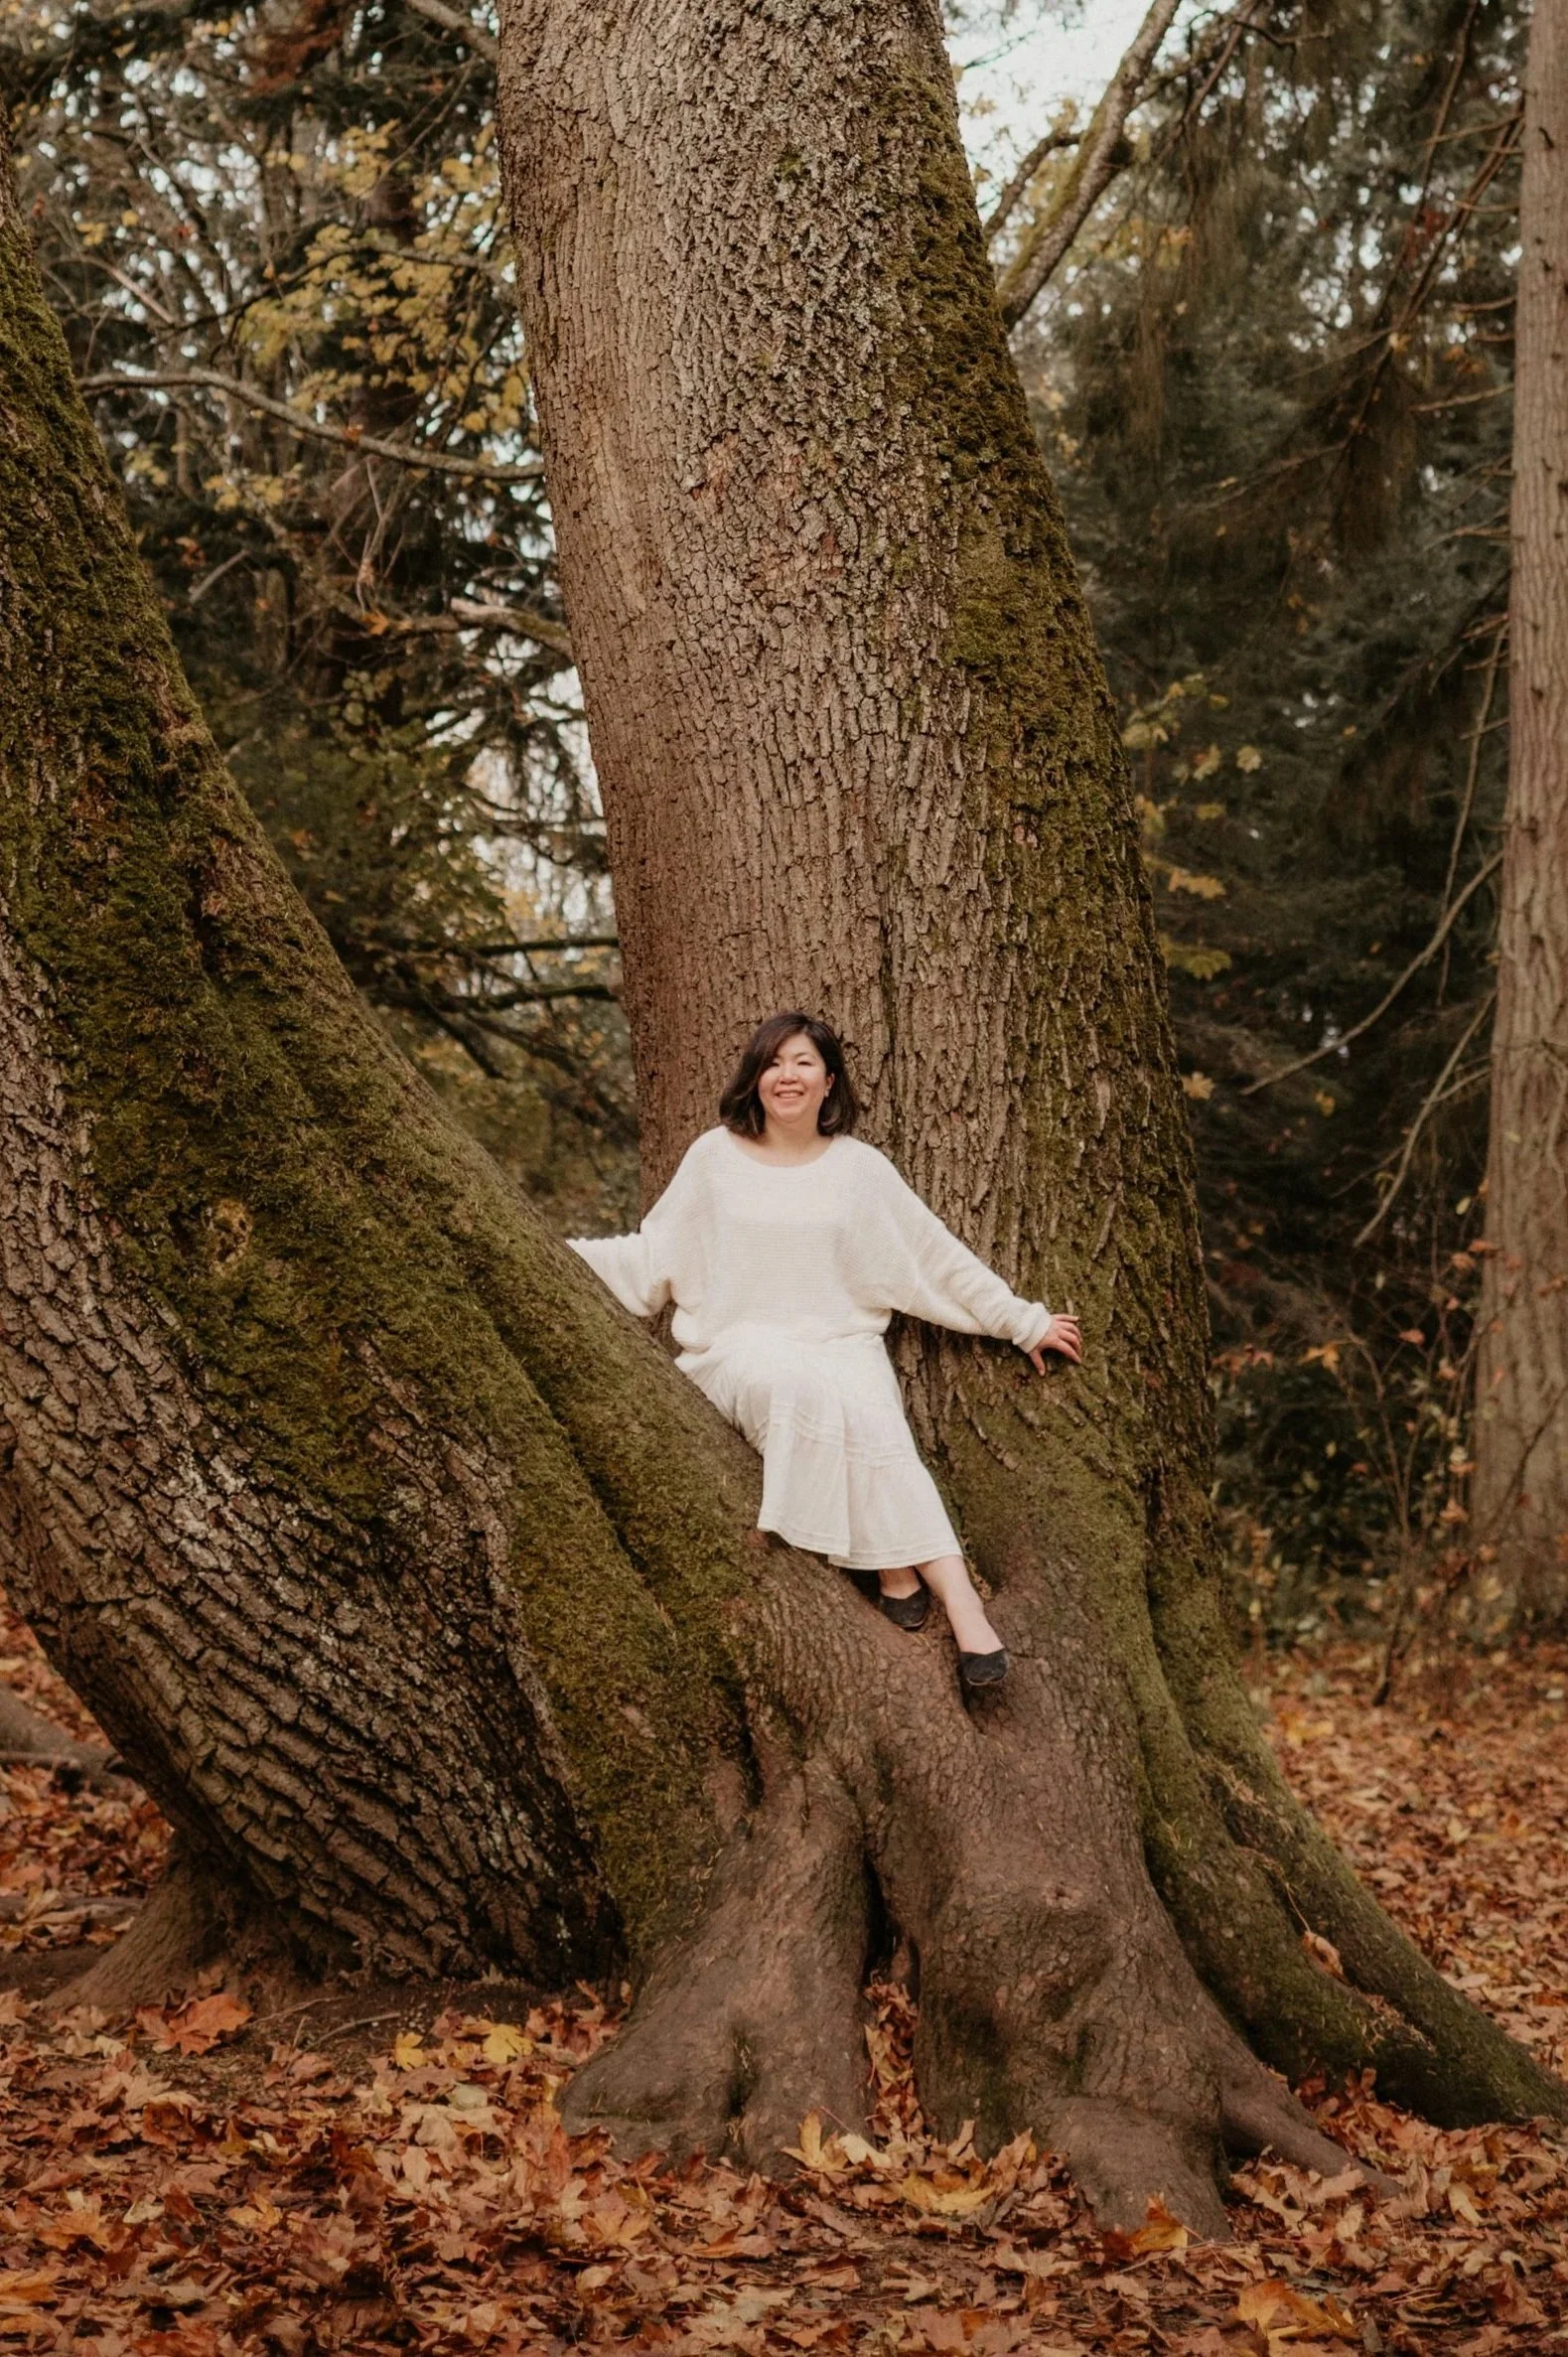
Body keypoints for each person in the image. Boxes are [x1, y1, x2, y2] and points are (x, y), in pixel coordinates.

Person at [569, 1012, 1083, 1689]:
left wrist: (1022, 1321)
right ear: (754, 1079)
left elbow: (934, 1259)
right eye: (773, 1062)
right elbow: (652, 1257)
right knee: (794, 1386)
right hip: (736, 1349)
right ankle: (889, 1565)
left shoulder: (859, 1170)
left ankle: (960, 1607)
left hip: (843, 1343)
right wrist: (553, 1252)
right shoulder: (712, 1157)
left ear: (828, 1080)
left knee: (880, 1427)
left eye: (803, 1062)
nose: (787, 1075)